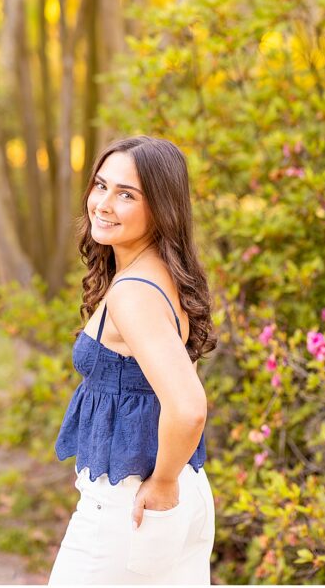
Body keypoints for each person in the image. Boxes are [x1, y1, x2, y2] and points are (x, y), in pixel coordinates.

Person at [49, 136, 217, 584]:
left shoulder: (134, 292)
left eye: (126, 194)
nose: (103, 203)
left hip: (134, 504)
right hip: (186, 492)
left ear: (161, 207)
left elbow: (188, 406)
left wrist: (161, 485)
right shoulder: (165, 272)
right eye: (100, 186)